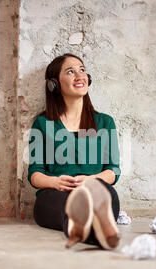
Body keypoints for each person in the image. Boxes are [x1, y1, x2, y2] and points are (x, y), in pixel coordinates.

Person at [27, 53, 121, 250]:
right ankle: (90, 229)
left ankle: (90, 230)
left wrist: (92, 179)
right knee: (65, 204)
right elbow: (35, 174)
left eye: (82, 70)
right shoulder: (42, 124)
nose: (80, 76)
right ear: (53, 84)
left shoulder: (105, 122)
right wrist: (56, 181)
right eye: (70, 72)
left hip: (93, 189)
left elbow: (113, 171)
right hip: (54, 195)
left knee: (108, 194)